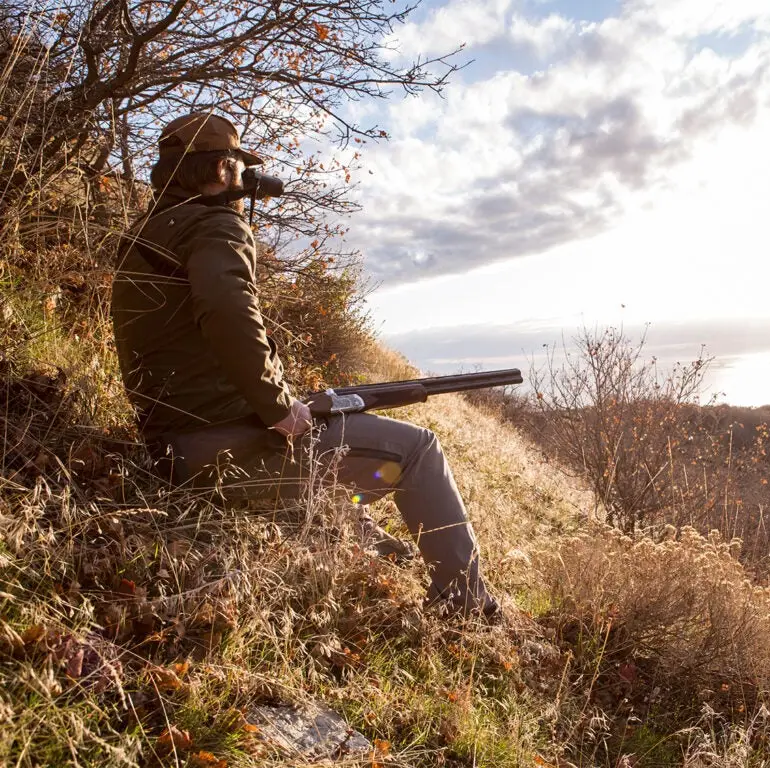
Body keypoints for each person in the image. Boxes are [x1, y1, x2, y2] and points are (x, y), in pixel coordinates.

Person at [111, 111, 499, 619]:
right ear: (220, 169)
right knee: (418, 449)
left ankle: (386, 555)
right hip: (225, 451)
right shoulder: (215, 226)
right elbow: (227, 310)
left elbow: (197, 343)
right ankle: (467, 605)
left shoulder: (145, 233)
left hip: (173, 448)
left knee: (328, 434)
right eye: (234, 164)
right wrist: (276, 407)